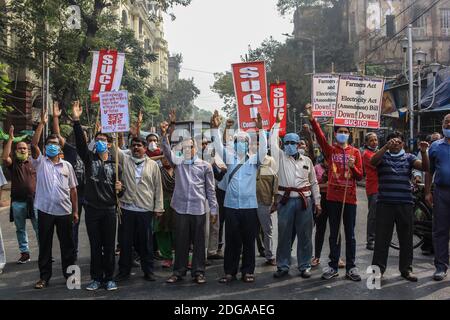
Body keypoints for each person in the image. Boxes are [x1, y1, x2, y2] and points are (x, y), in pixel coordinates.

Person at [306, 103, 363, 281]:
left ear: (350, 134)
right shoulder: (331, 151)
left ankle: (351, 267)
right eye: (340, 131)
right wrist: (312, 119)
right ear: (336, 134)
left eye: (346, 132)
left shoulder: (355, 152)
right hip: (332, 198)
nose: (343, 134)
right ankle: (332, 266)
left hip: (350, 199)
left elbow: (360, 177)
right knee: (334, 233)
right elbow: (321, 137)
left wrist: (353, 168)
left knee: (350, 235)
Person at [162, 110, 218, 284]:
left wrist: (214, 210)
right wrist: (166, 132)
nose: (187, 149)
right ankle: (178, 272)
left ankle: (198, 272)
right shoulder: (177, 163)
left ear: (196, 148)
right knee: (180, 242)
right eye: (184, 147)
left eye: (190, 147)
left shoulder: (205, 166)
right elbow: (166, 151)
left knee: (199, 243)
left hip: (199, 209)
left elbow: (211, 190)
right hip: (180, 209)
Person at [211, 111, 267, 284]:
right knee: (232, 240)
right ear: (234, 144)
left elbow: (264, 150)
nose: (240, 144)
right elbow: (219, 146)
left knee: (249, 241)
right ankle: (229, 271)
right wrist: (215, 129)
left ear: (248, 144)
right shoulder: (229, 158)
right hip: (231, 206)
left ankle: (247, 271)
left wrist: (261, 130)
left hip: (249, 207)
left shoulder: (255, 160)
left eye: (243, 142)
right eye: (237, 142)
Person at [72, 101, 122, 291]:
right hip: (92, 210)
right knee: (95, 246)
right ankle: (96, 278)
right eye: (98, 139)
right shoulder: (89, 159)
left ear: (109, 144)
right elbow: (80, 143)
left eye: (104, 139)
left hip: (109, 210)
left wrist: (120, 188)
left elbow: (121, 192)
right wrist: (76, 120)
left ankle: (109, 278)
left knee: (109, 247)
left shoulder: (115, 164)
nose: (101, 141)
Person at [370, 131, 429, 282]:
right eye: (392, 141)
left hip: (405, 204)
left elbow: (425, 167)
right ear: (388, 143)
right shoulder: (382, 156)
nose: (396, 144)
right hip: (385, 204)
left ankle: (406, 270)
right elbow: (372, 162)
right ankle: (377, 271)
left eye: (398, 142)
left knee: (406, 239)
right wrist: (385, 147)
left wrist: (424, 152)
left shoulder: (409, 157)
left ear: (403, 144)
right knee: (382, 240)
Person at [31, 109, 78, 289]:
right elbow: (34, 144)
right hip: (45, 211)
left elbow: (73, 190)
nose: (52, 145)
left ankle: (71, 277)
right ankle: (44, 277)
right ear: (45, 147)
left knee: (68, 247)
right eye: (49, 143)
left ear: (60, 148)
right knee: (45, 247)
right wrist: (42, 123)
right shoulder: (40, 162)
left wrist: (75, 211)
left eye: (55, 143)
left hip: (65, 211)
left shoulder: (67, 166)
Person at [271, 112, 321, 278]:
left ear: (299, 144)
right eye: (287, 143)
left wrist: (318, 202)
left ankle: (304, 265)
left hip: (304, 201)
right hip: (285, 201)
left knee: (305, 235)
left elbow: (313, 183)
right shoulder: (280, 158)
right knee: (284, 234)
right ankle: (283, 266)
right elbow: (272, 142)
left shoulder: (306, 161)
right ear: (284, 144)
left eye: (293, 143)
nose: (290, 145)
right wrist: (277, 124)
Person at [113, 136, 164, 283]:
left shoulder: (153, 165)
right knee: (125, 243)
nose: (136, 148)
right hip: (126, 208)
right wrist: (112, 131)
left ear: (145, 148)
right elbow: (114, 149)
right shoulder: (125, 159)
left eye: (139, 146)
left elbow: (157, 187)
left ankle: (148, 271)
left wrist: (158, 207)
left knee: (146, 243)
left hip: (145, 209)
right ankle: (124, 271)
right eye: (133, 145)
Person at [52, 101, 86, 260]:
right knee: (73, 224)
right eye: (80, 134)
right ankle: (73, 253)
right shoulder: (70, 149)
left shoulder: (91, 152)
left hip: (90, 194)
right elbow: (58, 137)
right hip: (75, 194)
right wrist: (56, 118)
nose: (83, 137)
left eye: (85, 135)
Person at [2, 125, 38, 264]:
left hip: (34, 201)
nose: (22, 149)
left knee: (39, 228)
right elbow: (5, 157)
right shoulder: (14, 164)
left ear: (28, 151)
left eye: (24, 148)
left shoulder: (34, 163)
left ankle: (45, 253)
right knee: (20, 229)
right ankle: (25, 253)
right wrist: (10, 139)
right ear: (15, 151)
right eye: (19, 148)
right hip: (17, 202)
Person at [425, 114, 450, 281]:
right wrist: (427, 192)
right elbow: (429, 170)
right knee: (440, 230)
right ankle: (441, 267)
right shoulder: (435, 146)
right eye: (446, 122)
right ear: (442, 125)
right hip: (441, 192)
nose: (449, 125)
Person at [256, 138, 278, 267]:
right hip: (249, 201)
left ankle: (270, 255)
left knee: (267, 230)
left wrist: (275, 201)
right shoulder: (249, 160)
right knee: (249, 230)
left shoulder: (270, 161)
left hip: (264, 201)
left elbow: (275, 181)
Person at [154, 156, 176, 268]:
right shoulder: (157, 170)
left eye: (169, 157)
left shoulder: (179, 170)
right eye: (164, 158)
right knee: (162, 231)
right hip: (162, 203)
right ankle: (167, 257)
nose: (166, 160)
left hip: (177, 204)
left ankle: (181, 256)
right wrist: (160, 155)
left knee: (178, 231)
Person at [362, 132, 379, 251]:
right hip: (373, 187)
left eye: (376, 140)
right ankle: (370, 240)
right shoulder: (367, 154)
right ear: (367, 143)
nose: (374, 142)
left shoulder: (377, 152)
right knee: (373, 215)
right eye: (371, 140)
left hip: (382, 187)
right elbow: (378, 164)